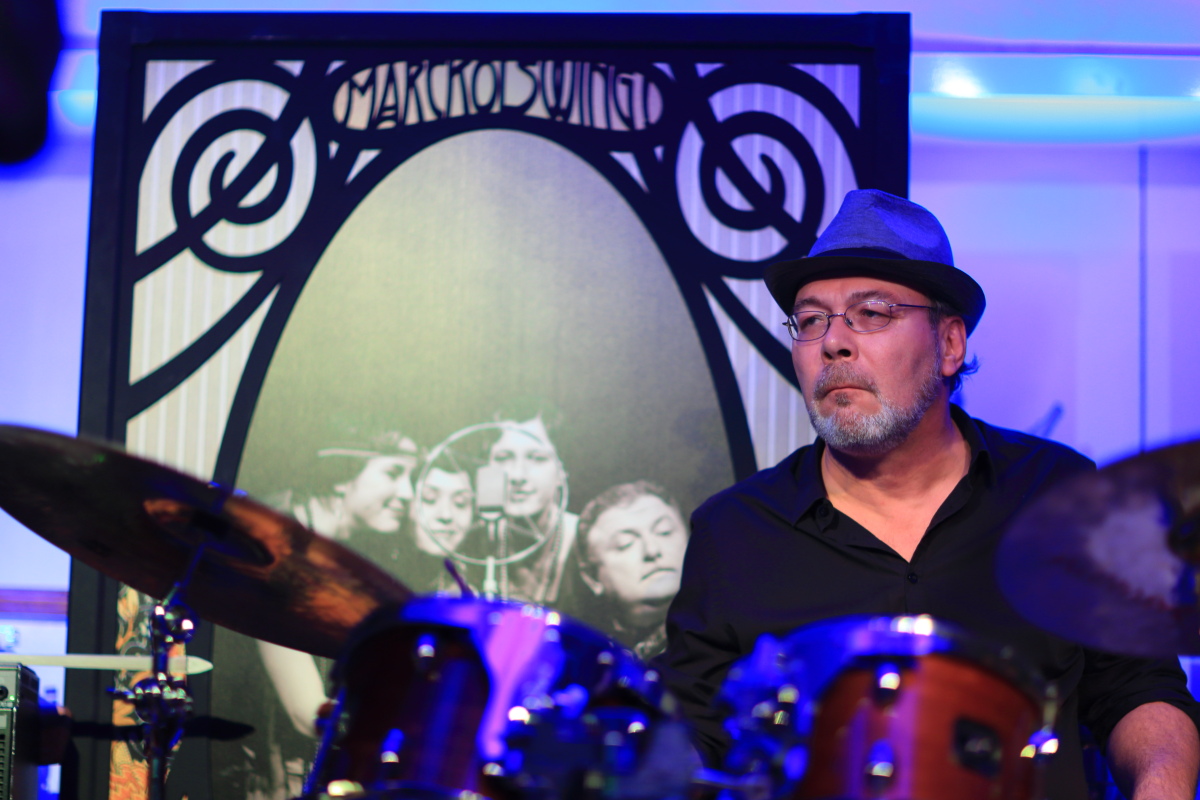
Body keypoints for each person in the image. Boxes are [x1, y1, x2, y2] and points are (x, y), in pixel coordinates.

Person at [656, 189, 1200, 800]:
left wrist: (1162, 788)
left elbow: (1137, 688)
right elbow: (689, 732)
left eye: (872, 313)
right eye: (810, 321)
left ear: (950, 344)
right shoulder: (734, 532)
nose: (833, 343)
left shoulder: (1062, 495)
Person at [573, 480, 689, 659]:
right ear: (591, 577)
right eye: (625, 544)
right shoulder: (591, 654)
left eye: (664, 532)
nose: (652, 550)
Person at [482, 412, 579, 605]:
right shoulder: (477, 541)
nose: (517, 475)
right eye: (504, 458)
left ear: (561, 470)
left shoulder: (583, 539)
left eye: (537, 458)